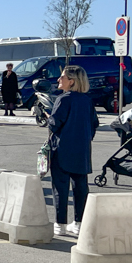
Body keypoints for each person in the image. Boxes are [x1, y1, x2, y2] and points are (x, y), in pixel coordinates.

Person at [47, 65, 99, 236]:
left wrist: (47, 117)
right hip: (82, 149)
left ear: (71, 81)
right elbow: (94, 125)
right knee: (80, 187)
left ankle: (60, 223)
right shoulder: (87, 100)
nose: (59, 80)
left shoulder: (64, 99)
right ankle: (79, 222)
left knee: (60, 187)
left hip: (62, 148)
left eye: (62, 77)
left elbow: (55, 124)